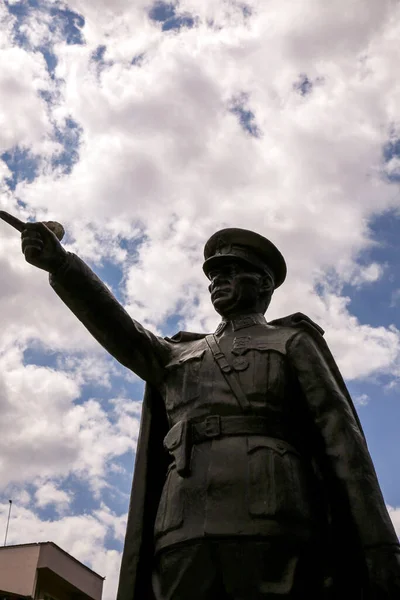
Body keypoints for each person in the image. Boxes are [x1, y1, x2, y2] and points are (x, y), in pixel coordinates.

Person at [19, 223, 400, 599]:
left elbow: (343, 444)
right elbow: (118, 328)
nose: (217, 281)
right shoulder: (176, 354)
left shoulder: (291, 342)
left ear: (264, 284)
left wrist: (379, 545)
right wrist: (62, 265)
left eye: (231, 272)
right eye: (213, 275)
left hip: (273, 518)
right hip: (181, 524)